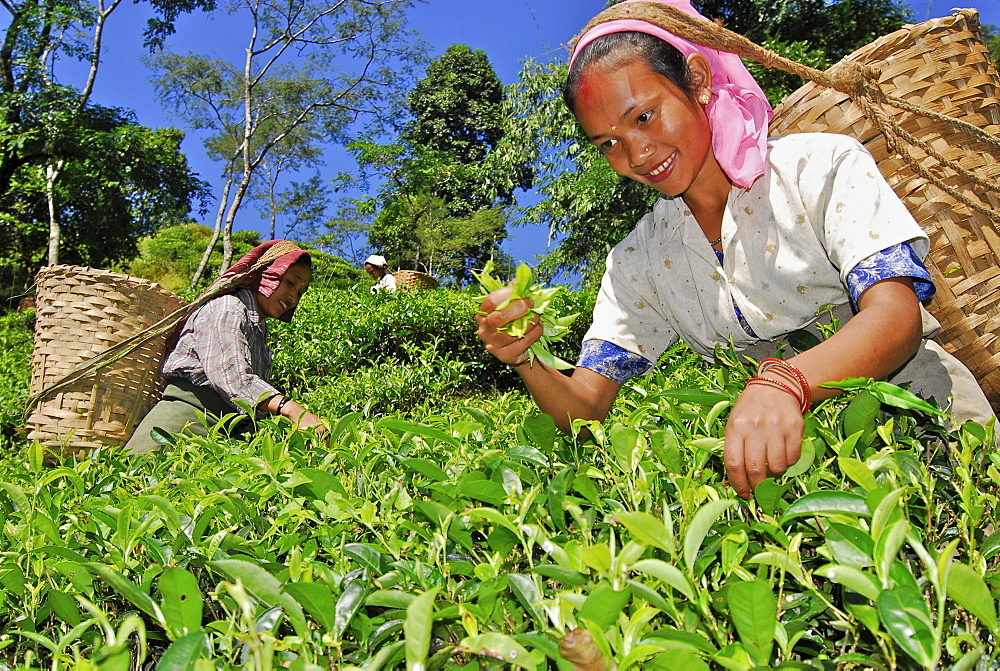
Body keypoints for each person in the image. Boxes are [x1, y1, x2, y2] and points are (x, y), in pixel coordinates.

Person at [475, 0, 995, 498]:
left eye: (644, 117)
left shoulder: (816, 167)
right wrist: (525, 358)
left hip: (933, 431)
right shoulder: (639, 261)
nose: (635, 152)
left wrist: (787, 381)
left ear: (697, 82)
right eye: (607, 142)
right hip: (800, 477)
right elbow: (585, 406)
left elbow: (896, 318)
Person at [126, 240, 326, 454]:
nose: (293, 297)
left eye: (300, 293)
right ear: (267, 274)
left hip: (224, 431)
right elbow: (232, 376)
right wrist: (292, 410)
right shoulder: (229, 307)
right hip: (184, 423)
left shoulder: (258, 326)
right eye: (290, 283)